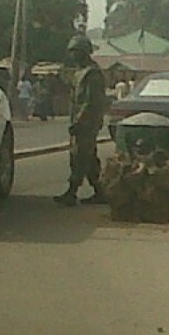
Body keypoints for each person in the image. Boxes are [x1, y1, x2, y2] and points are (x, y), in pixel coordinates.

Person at [54, 35, 111, 207]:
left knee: (79, 156)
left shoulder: (92, 74)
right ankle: (100, 191)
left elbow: (91, 101)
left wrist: (79, 121)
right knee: (88, 157)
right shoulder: (79, 73)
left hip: (87, 122)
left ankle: (72, 191)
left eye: (76, 52)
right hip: (80, 121)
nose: (73, 56)